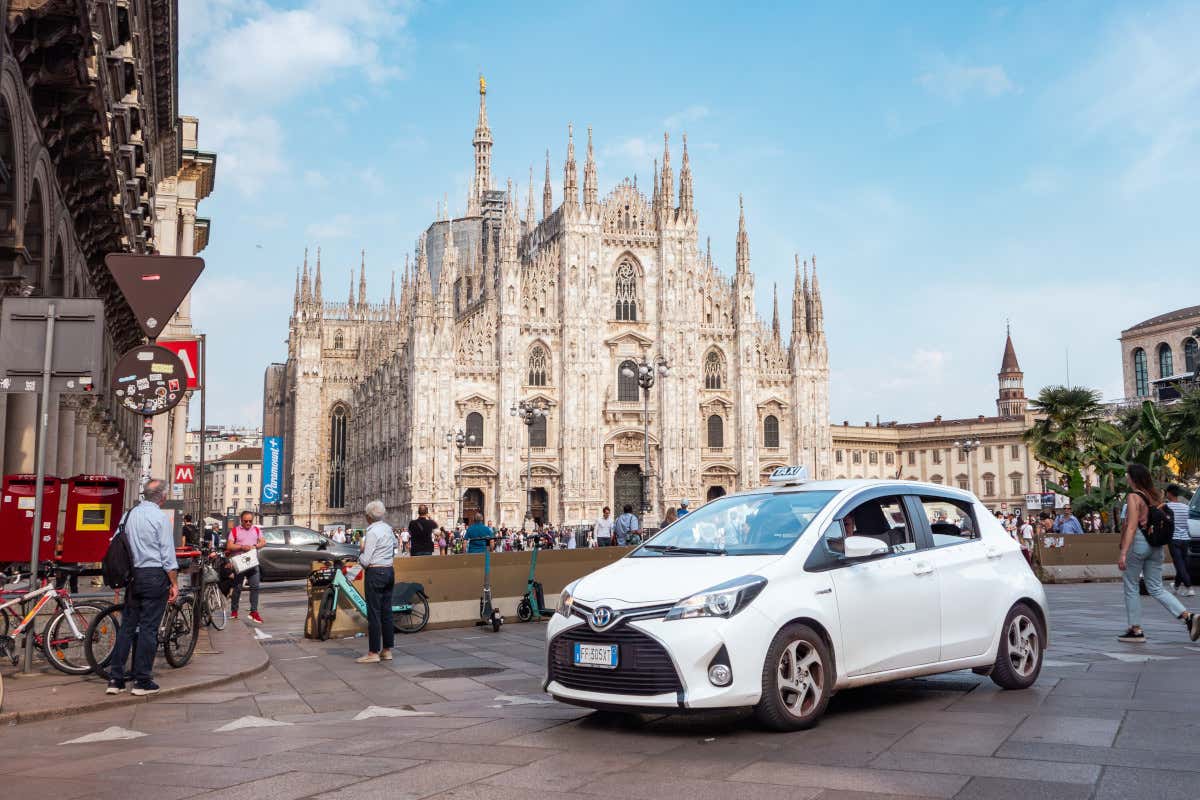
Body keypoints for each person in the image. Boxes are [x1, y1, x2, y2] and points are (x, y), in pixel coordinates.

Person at [105, 479, 178, 696]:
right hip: (154, 575)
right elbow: (167, 555)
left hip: (133, 576)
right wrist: (173, 583)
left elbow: (115, 541)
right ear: (163, 497)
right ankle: (142, 680)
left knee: (127, 627)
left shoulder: (129, 515)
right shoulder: (160, 518)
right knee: (148, 628)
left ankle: (115, 679)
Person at [1117, 464, 1200, 643]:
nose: (1127, 478)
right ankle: (1188, 616)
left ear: (1133, 478)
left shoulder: (1134, 497)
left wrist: (1123, 552)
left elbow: (1131, 526)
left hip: (1139, 543)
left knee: (1131, 584)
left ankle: (1135, 629)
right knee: (1155, 587)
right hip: (1156, 546)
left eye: (1128, 476)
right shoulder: (1155, 497)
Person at [356, 500, 396, 664]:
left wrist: (361, 552)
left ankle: (373, 652)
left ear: (368, 517)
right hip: (389, 571)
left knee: (374, 612)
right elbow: (395, 545)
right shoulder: (388, 529)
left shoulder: (372, 532)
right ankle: (386, 650)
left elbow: (365, 560)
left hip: (375, 572)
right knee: (386, 612)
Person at [225, 510, 265, 624]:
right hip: (240, 563)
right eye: (245, 521)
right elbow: (229, 545)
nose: (248, 523)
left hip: (253, 562)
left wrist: (255, 546)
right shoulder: (235, 530)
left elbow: (263, 542)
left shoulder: (256, 530)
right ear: (241, 520)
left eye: (250, 521)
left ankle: (254, 612)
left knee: (255, 587)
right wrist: (242, 547)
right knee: (237, 588)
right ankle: (234, 611)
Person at [1165, 485, 1194, 597]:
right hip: (1185, 539)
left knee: (1179, 564)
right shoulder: (1186, 507)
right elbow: (1188, 523)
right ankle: (1176, 586)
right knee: (1182, 563)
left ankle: (1189, 587)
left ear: (1169, 494)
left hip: (1174, 539)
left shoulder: (1166, 507)